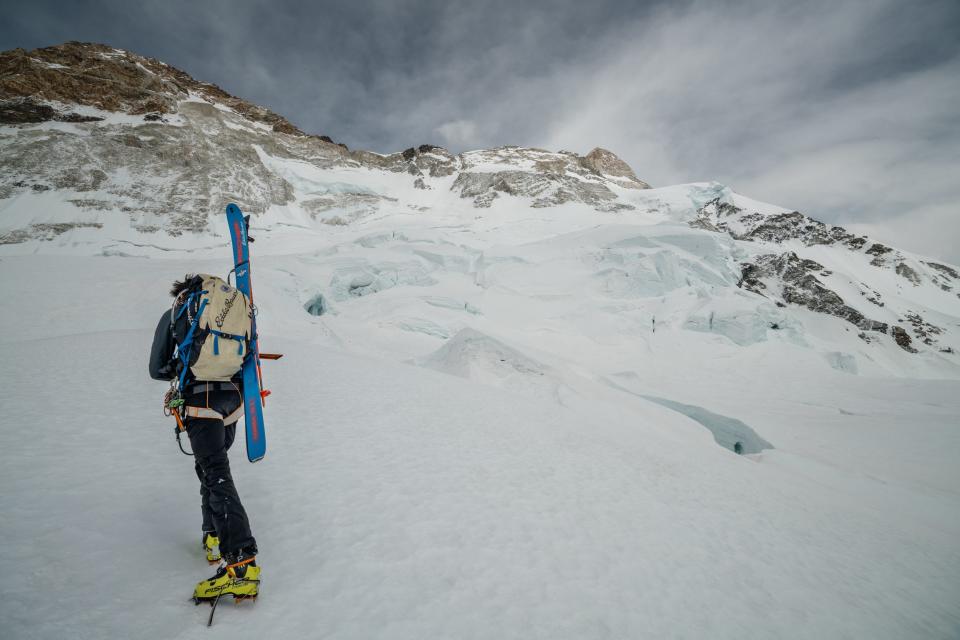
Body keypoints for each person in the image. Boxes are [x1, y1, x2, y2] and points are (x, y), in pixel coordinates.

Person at [149, 274, 260, 600]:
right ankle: (213, 534)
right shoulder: (235, 311)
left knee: (216, 475)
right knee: (211, 470)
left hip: (201, 401)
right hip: (232, 401)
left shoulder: (176, 313)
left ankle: (242, 565)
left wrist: (182, 369)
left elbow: (157, 369)